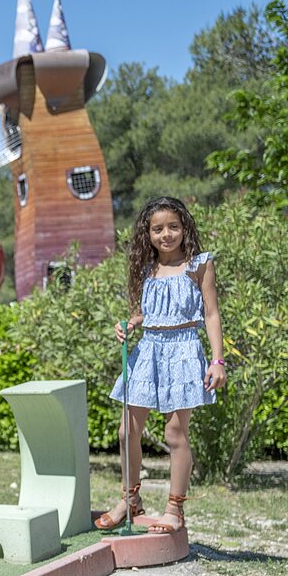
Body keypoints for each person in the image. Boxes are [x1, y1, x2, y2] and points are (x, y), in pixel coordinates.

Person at [100, 197, 226, 535]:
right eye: (158, 229)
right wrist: (129, 324)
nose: (166, 234)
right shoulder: (146, 268)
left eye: (173, 226)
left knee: (175, 433)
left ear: (185, 228)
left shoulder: (199, 265)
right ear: (148, 233)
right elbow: (145, 311)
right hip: (148, 351)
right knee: (127, 431)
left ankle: (174, 510)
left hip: (183, 352)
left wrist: (217, 360)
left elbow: (211, 314)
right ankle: (130, 499)